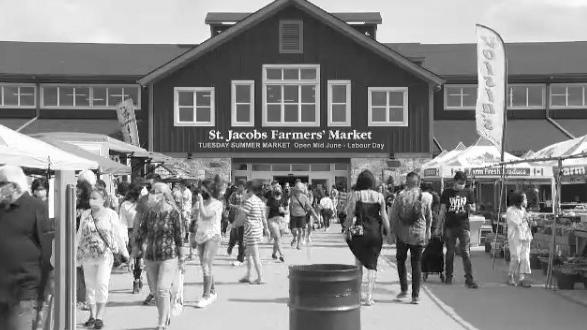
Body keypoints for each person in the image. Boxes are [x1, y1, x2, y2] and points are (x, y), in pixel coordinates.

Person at [0, 166, 52, 330]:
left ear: (14, 186)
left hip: (24, 290)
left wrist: (43, 293)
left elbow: (47, 251)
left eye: (1, 183)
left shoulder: (37, 207)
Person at [136, 182, 184, 330]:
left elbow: (179, 237)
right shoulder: (149, 212)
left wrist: (182, 258)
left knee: (162, 289)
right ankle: (165, 313)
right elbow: (142, 232)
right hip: (151, 256)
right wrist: (137, 251)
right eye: (152, 191)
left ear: (164, 195)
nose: (153, 194)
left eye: (156, 192)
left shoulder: (174, 213)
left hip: (168, 255)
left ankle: (162, 322)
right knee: (156, 291)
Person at [76, 187, 124, 329]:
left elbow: (117, 233)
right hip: (87, 254)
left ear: (104, 200)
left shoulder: (111, 214)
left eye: (95, 198)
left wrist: (124, 251)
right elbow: (79, 233)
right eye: (91, 198)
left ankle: (99, 316)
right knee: (89, 285)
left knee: (101, 283)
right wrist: (76, 251)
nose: (92, 200)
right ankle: (92, 315)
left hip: (104, 255)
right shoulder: (85, 214)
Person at [344, 170, 391, 306]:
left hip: (360, 233)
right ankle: (369, 297)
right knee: (372, 265)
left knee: (358, 263)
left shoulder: (356, 195)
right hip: (375, 233)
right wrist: (389, 233)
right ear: (372, 182)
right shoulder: (379, 196)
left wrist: (346, 230)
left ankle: (358, 294)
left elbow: (350, 215)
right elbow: (384, 216)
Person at [391, 172, 432, 304]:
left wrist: (392, 233)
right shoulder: (424, 198)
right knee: (416, 263)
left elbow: (394, 216)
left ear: (406, 183)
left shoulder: (400, 196)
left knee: (401, 260)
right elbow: (429, 216)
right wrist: (428, 231)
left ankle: (404, 289)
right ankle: (415, 296)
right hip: (418, 234)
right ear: (418, 183)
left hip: (402, 234)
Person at [438, 171, 479, 289]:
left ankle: (469, 279)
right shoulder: (447, 192)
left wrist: (470, 207)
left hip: (464, 226)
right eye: (460, 183)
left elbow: (474, 208)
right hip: (450, 226)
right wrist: (438, 227)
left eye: (464, 183)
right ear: (454, 181)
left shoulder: (468, 192)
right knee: (450, 252)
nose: (462, 185)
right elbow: (442, 210)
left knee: (465, 252)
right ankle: (449, 276)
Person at [193, 179, 224, 308]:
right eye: (201, 189)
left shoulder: (217, 204)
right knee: (205, 265)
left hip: (212, 236)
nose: (202, 191)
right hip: (200, 236)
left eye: (204, 189)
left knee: (206, 263)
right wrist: (192, 237)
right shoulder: (200, 203)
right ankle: (212, 291)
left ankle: (205, 296)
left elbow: (206, 215)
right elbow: (197, 220)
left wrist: (199, 203)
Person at [239, 180, 270, 284]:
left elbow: (243, 215)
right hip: (256, 230)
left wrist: (233, 224)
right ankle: (248, 275)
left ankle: (260, 278)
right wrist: (266, 229)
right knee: (248, 254)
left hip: (251, 230)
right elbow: (263, 217)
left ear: (249, 189)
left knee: (255, 255)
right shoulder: (259, 201)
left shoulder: (249, 201)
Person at [506, 191, 533, 288]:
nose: (526, 201)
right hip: (515, 236)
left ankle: (522, 278)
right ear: (519, 200)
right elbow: (517, 222)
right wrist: (526, 218)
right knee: (516, 257)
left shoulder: (524, 210)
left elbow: (526, 221)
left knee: (525, 257)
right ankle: (510, 275)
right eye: (524, 199)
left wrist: (530, 220)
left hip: (525, 235)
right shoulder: (510, 210)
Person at [119, 184, 142, 293]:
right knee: (136, 258)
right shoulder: (125, 205)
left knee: (140, 258)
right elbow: (122, 222)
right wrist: (124, 237)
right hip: (131, 232)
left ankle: (138, 278)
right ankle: (136, 280)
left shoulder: (143, 204)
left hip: (142, 231)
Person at [289, 182, 319, 250]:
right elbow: (290, 206)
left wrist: (316, 216)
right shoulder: (293, 197)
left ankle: (298, 244)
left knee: (300, 230)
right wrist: (290, 213)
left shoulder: (304, 197)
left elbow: (310, 207)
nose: (298, 192)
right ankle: (294, 238)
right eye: (297, 190)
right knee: (293, 230)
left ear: (302, 191)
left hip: (302, 216)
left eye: (299, 190)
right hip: (294, 216)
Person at [226, 183, 246, 266]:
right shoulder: (234, 194)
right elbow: (229, 204)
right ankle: (231, 246)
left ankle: (242, 255)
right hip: (234, 217)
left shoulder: (246, 195)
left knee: (243, 238)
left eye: (242, 187)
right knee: (234, 234)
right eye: (240, 187)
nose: (241, 188)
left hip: (244, 218)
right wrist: (236, 207)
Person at [266, 188, 286, 262]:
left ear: (281, 191)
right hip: (272, 220)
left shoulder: (284, 199)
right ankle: (281, 254)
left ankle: (274, 253)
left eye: (278, 189)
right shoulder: (270, 200)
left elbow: (287, 211)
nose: (277, 190)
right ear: (273, 191)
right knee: (277, 238)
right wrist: (265, 223)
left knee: (277, 239)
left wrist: (283, 210)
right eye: (276, 189)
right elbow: (267, 211)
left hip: (281, 221)